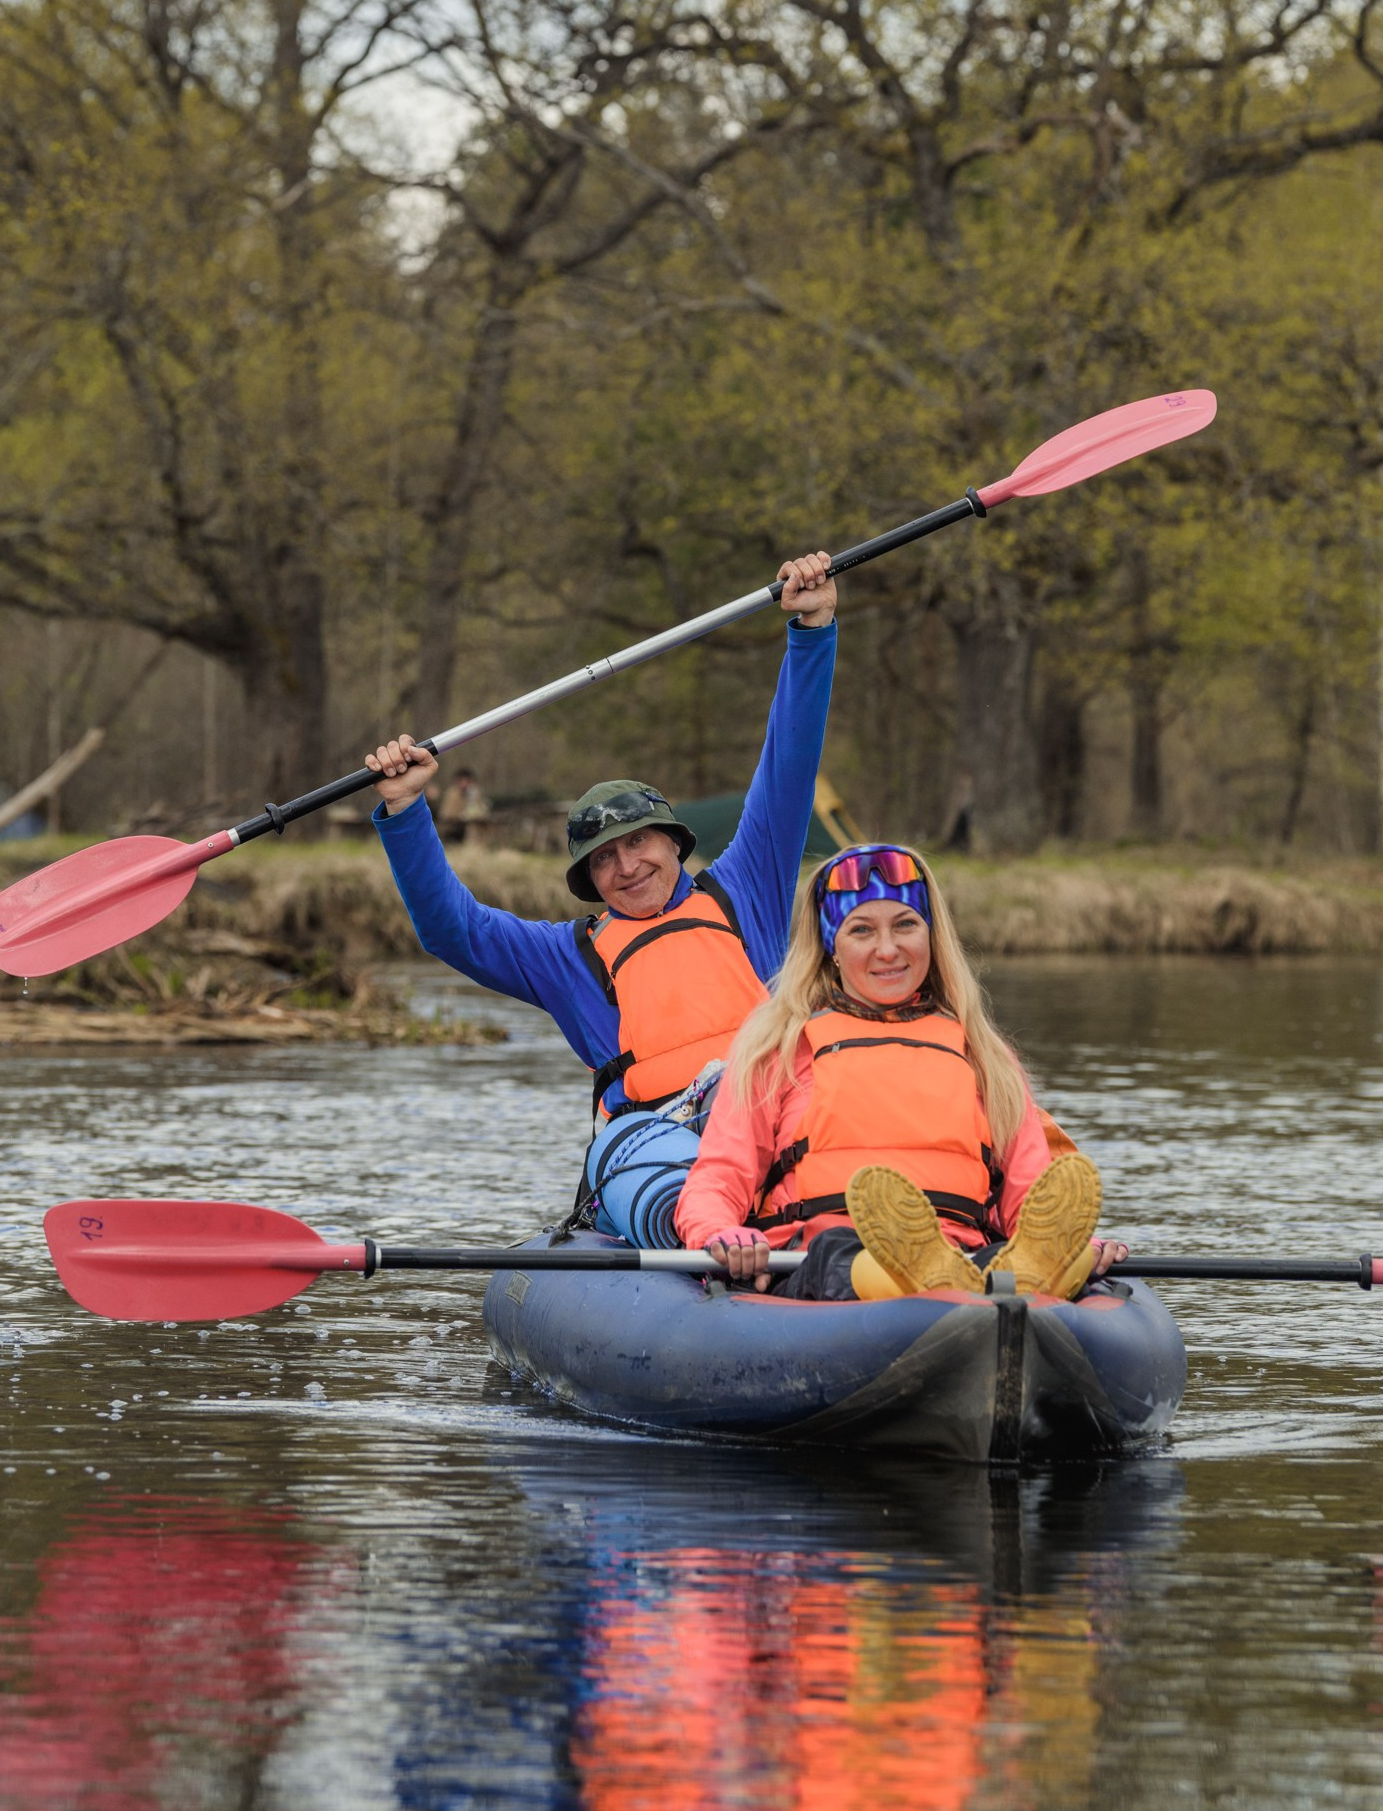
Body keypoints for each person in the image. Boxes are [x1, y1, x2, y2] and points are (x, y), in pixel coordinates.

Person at [364, 551, 837, 1248]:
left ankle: (864, 1233)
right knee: (665, 1179)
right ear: (591, 882)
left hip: (773, 1110)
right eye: (605, 859)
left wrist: (811, 630)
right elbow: (449, 929)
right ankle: (709, 1234)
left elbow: (788, 763)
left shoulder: (747, 887)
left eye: (639, 842)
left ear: (674, 842)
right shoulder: (567, 956)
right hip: (658, 1136)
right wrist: (406, 811)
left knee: (850, 1121)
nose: (628, 865)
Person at [678, 842, 1127, 1301]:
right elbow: (717, 1178)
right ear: (831, 946)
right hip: (823, 1264)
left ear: (931, 936)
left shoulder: (983, 1056)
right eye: (862, 930)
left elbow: (1027, 1191)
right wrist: (718, 1230)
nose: (888, 949)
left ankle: (1029, 1268)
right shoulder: (778, 1049)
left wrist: (1064, 1243)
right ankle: (929, 1270)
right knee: (849, 1252)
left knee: (1013, 1262)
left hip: (964, 1260)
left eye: (906, 925)